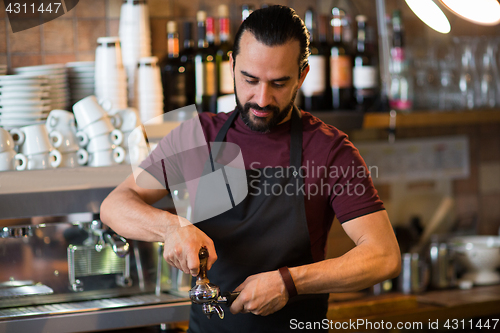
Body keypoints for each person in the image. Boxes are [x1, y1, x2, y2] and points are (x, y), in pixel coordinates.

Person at [100, 5, 400, 332]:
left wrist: (290, 282)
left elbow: (383, 256)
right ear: (231, 65)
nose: (261, 98)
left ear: (302, 75)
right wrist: (171, 228)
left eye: (279, 83)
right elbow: (115, 204)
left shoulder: (329, 150)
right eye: (250, 79)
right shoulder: (198, 136)